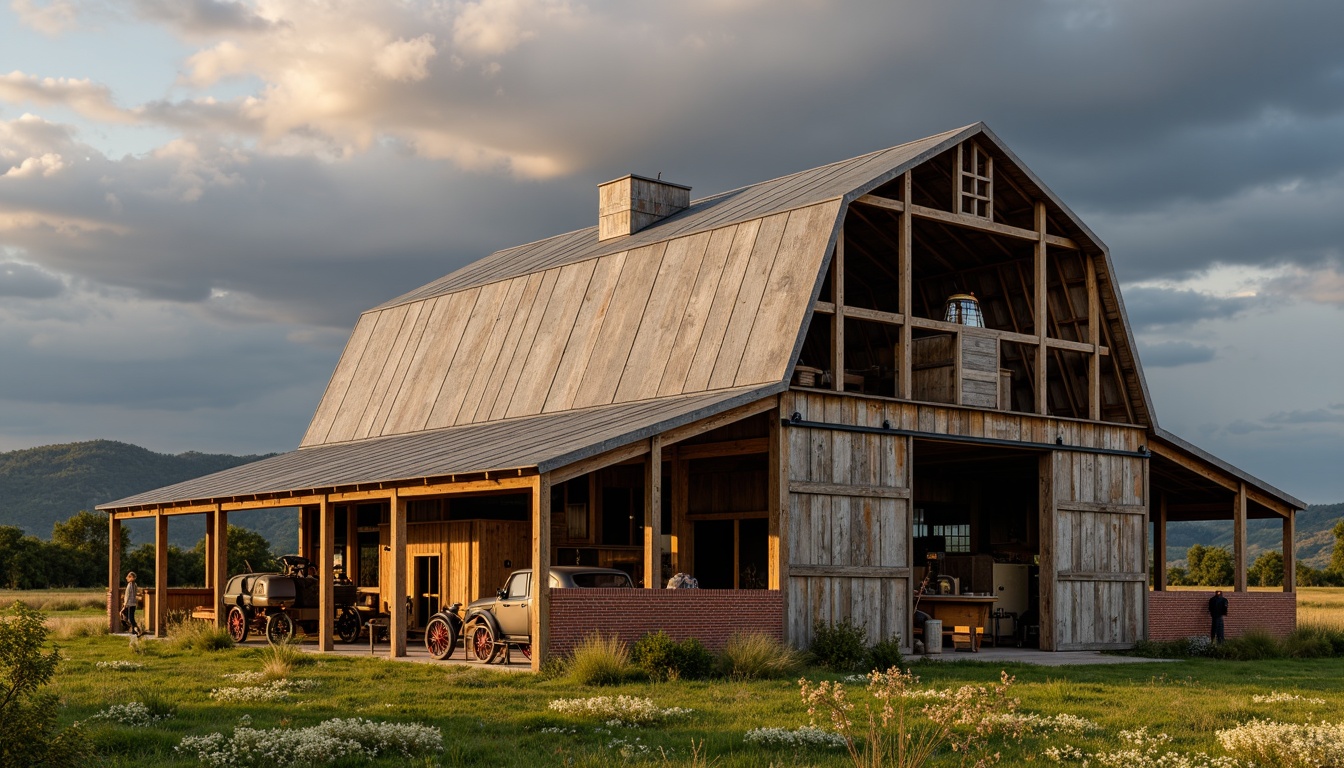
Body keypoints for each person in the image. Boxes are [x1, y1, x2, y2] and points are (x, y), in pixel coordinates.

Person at [123, 571, 143, 638]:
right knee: (130, 618)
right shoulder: (135, 584)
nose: (126, 578)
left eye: (128, 577)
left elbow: (128, 595)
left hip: (130, 603)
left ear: (131, 577)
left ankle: (137, 630)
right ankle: (134, 630)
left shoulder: (130, 585)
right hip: (133, 603)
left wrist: (125, 603)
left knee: (130, 618)